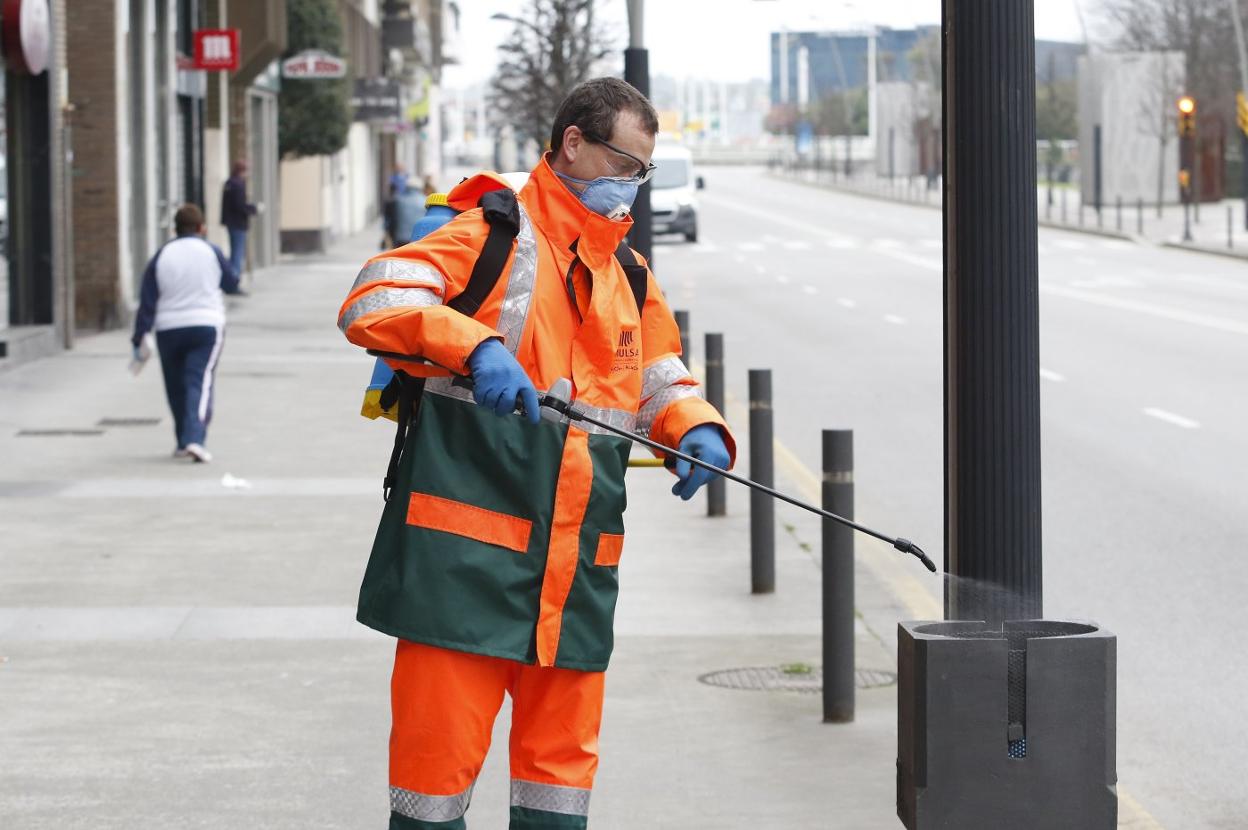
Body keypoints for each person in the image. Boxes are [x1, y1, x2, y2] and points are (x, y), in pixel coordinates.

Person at [337, 77, 735, 830]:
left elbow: (658, 374)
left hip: (576, 582)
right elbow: (373, 298)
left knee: (558, 797)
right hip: (462, 573)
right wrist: (474, 344)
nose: (631, 188)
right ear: (573, 143)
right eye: (624, 164)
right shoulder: (490, 235)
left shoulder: (628, 276)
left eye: (642, 173)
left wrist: (693, 424)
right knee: (431, 792)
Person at [133, 203, 239, 463]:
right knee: (198, 382)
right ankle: (195, 438)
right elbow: (232, 282)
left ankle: (183, 439)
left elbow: (147, 299)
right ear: (202, 228)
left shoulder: (162, 254)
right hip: (206, 326)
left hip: (169, 328)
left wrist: (139, 336)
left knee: (175, 385)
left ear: (174, 229)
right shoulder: (210, 251)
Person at [220, 160, 256, 280]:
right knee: (237, 253)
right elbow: (239, 205)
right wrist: (253, 209)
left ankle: (232, 277)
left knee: (234, 251)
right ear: (243, 171)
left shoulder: (229, 183)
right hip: (238, 223)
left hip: (231, 222)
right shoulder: (238, 185)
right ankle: (234, 279)